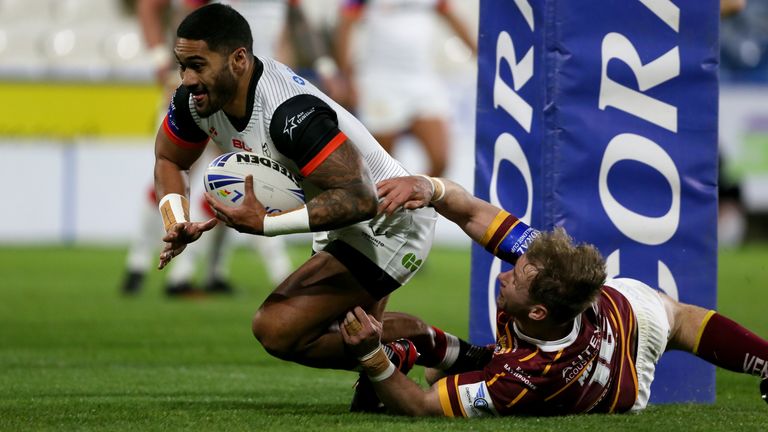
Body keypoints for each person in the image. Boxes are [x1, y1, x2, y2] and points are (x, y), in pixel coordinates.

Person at [154, 4, 439, 370]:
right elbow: (169, 159)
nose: (188, 79)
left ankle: (420, 347)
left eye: (198, 66)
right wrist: (175, 218)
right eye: (182, 66)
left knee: (276, 328)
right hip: (336, 221)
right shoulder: (195, 101)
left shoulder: (288, 113)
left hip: (390, 221)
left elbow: (361, 199)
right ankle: (447, 355)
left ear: (238, 60)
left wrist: (267, 224)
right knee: (357, 338)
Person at [338, 175, 768, 416]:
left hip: (622, 386)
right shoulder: (551, 274)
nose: (505, 276)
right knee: (681, 319)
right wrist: (429, 189)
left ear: (539, 310)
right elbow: (469, 209)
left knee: (435, 382)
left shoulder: (527, 377)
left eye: (516, 278)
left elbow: (420, 407)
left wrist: (372, 357)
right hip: (631, 312)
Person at [120, 0, 294, 296]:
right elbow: (153, 6)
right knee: (177, 170)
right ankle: (140, 262)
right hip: (208, 89)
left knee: (238, 181)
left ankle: (204, 273)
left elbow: (283, 35)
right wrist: (162, 63)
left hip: (258, 96)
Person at [334, 0, 476, 177]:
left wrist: (481, 58)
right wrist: (346, 78)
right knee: (381, 165)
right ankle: (387, 202)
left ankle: (417, 200)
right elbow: (346, 25)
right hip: (380, 81)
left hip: (422, 79)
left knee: (440, 159)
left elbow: (452, 18)